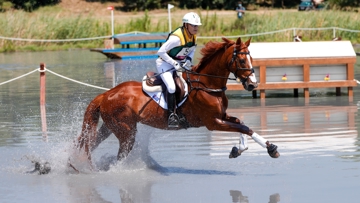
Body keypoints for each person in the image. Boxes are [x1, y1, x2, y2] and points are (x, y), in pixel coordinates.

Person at [156, 12, 201, 128]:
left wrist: (189, 60)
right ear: (186, 25)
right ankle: (171, 115)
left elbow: (192, 50)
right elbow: (160, 51)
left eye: (197, 26)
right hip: (164, 64)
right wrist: (174, 63)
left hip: (178, 64)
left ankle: (181, 113)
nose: (196, 28)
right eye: (193, 25)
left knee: (187, 85)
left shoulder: (193, 36)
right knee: (171, 87)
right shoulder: (176, 38)